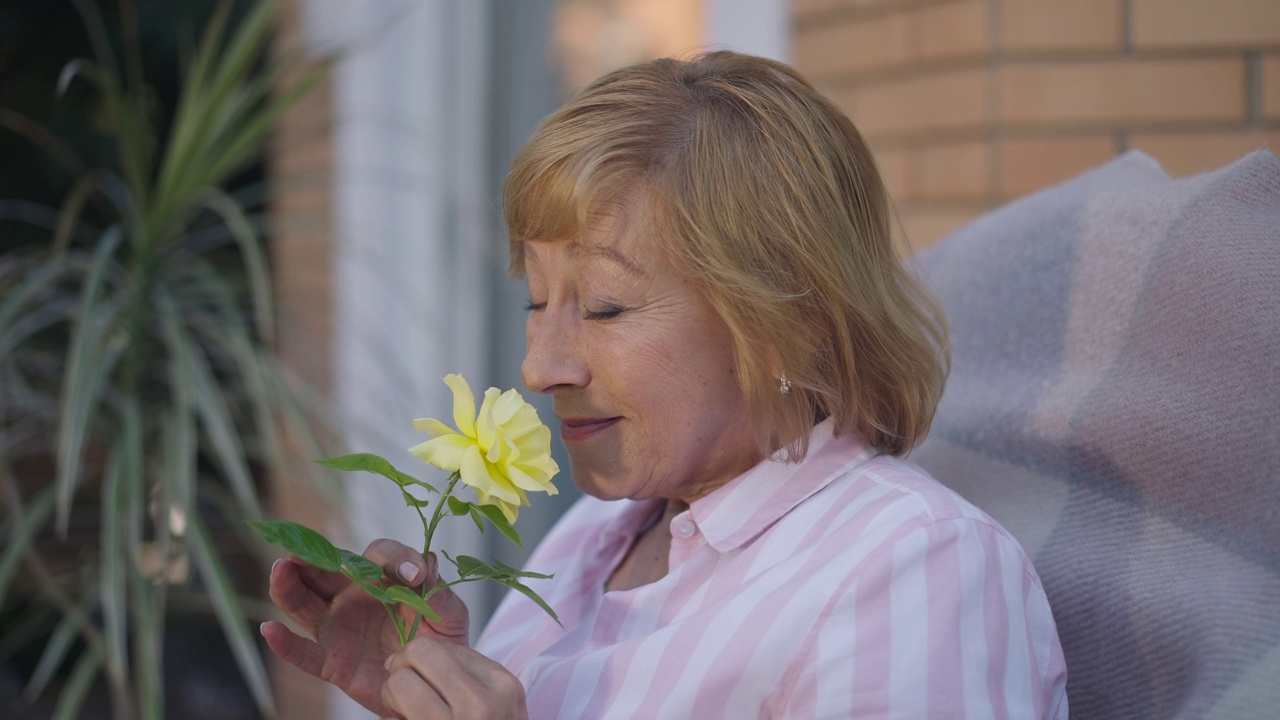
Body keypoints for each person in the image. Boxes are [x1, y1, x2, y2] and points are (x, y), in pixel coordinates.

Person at [262, 51, 1069, 719]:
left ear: (787, 317)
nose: (540, 369)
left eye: (605, 308)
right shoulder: (596, 537)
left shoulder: (911, 572)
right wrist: (433, 682)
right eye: (537, 301)